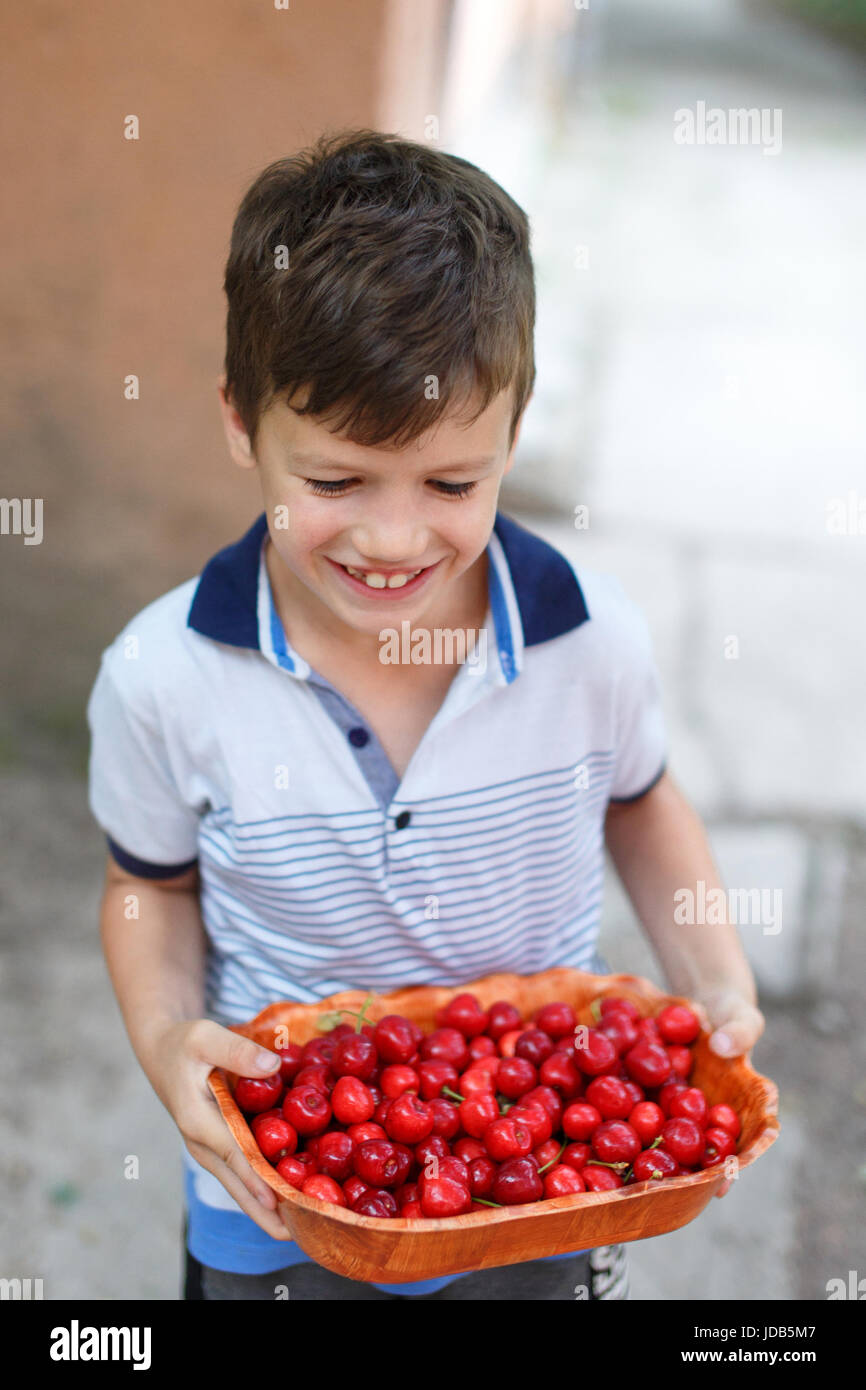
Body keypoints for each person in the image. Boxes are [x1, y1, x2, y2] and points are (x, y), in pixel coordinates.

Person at [86, 129, 765, 1301]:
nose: (393, 540)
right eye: (335, 481)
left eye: (452, 483)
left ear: (513, 434)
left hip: (542, 1174)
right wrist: (162, 1046)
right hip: (277, 1185)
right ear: (241, 422)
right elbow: (150, 886)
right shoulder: (163, 674)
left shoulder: (588, 640)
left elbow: (643, 806)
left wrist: (710, 974)